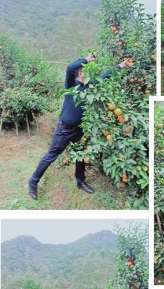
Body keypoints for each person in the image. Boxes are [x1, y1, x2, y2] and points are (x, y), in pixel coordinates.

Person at [28, 54, 130, 201]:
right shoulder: (71, 85)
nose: (89, 72)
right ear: (81, 72)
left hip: (80, 129)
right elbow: (70, 67)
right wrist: (86, 59)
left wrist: (121, 66)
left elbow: (105, 76)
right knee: (51, 156)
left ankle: (80, 181)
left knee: (81, 156)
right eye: (86, 70)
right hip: (64, 129)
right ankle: (33, 182)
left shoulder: (88, 86)